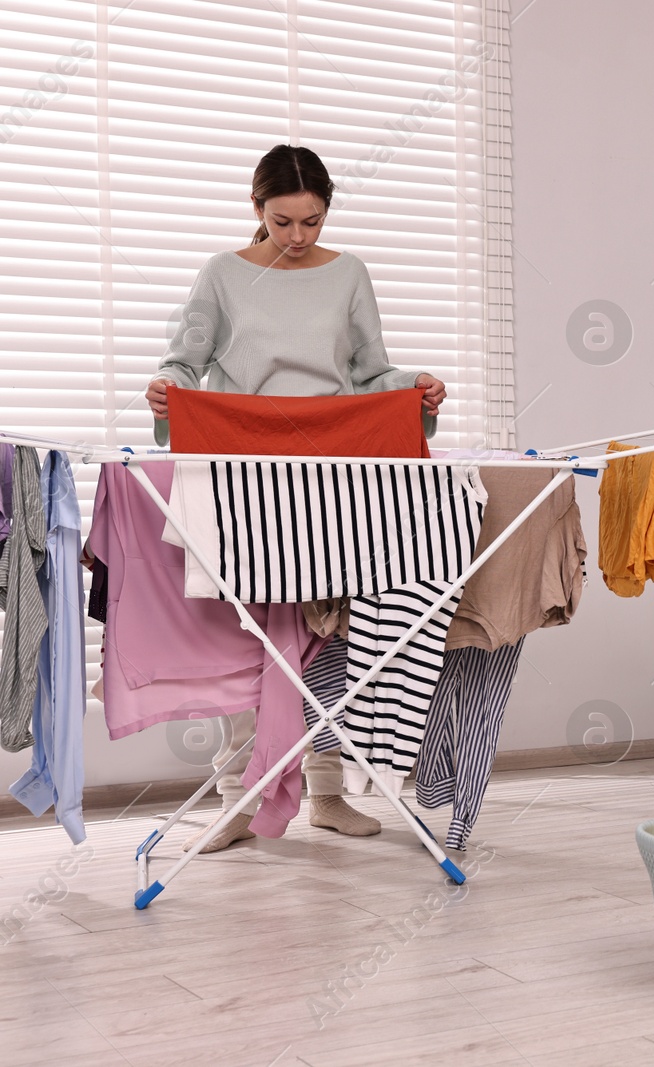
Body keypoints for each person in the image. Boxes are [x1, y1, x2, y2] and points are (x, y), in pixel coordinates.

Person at [145, 144, 447, 853]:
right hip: (244, 471)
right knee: (250, 633)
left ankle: (326, 791)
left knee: (328, 631)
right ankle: (235, 800)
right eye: (282, 221)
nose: (297, 237)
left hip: (333, 471)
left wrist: (417, 387)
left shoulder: (349, 274)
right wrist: (164, 387)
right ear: (257, 209)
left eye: (311, 221)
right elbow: (184, 363)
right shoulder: (222, 275)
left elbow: (370, 371)